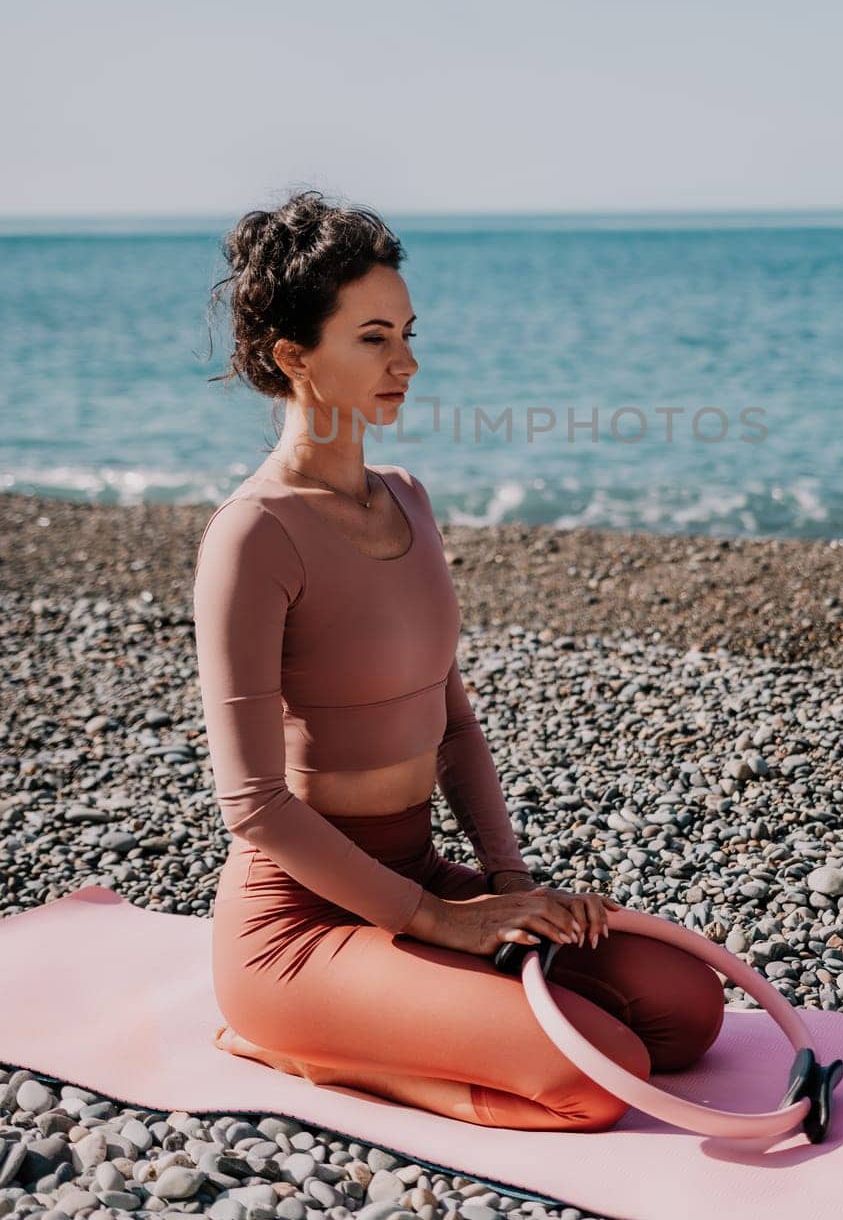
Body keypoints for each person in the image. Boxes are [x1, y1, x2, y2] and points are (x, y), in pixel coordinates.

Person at [195, 187, 724, 1131]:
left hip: (424, 876)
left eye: (407, 331)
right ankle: (293, 1045)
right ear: (292, 356)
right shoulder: (253, 535)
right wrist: (437, 922)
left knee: (685, 1012)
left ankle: (409, 1006)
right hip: (298, 923)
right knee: (602, 1076)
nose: (405, 361)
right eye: (371, 338)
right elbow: (254, 806)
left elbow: (454, 721)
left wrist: (510, 890)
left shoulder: (408, 500)